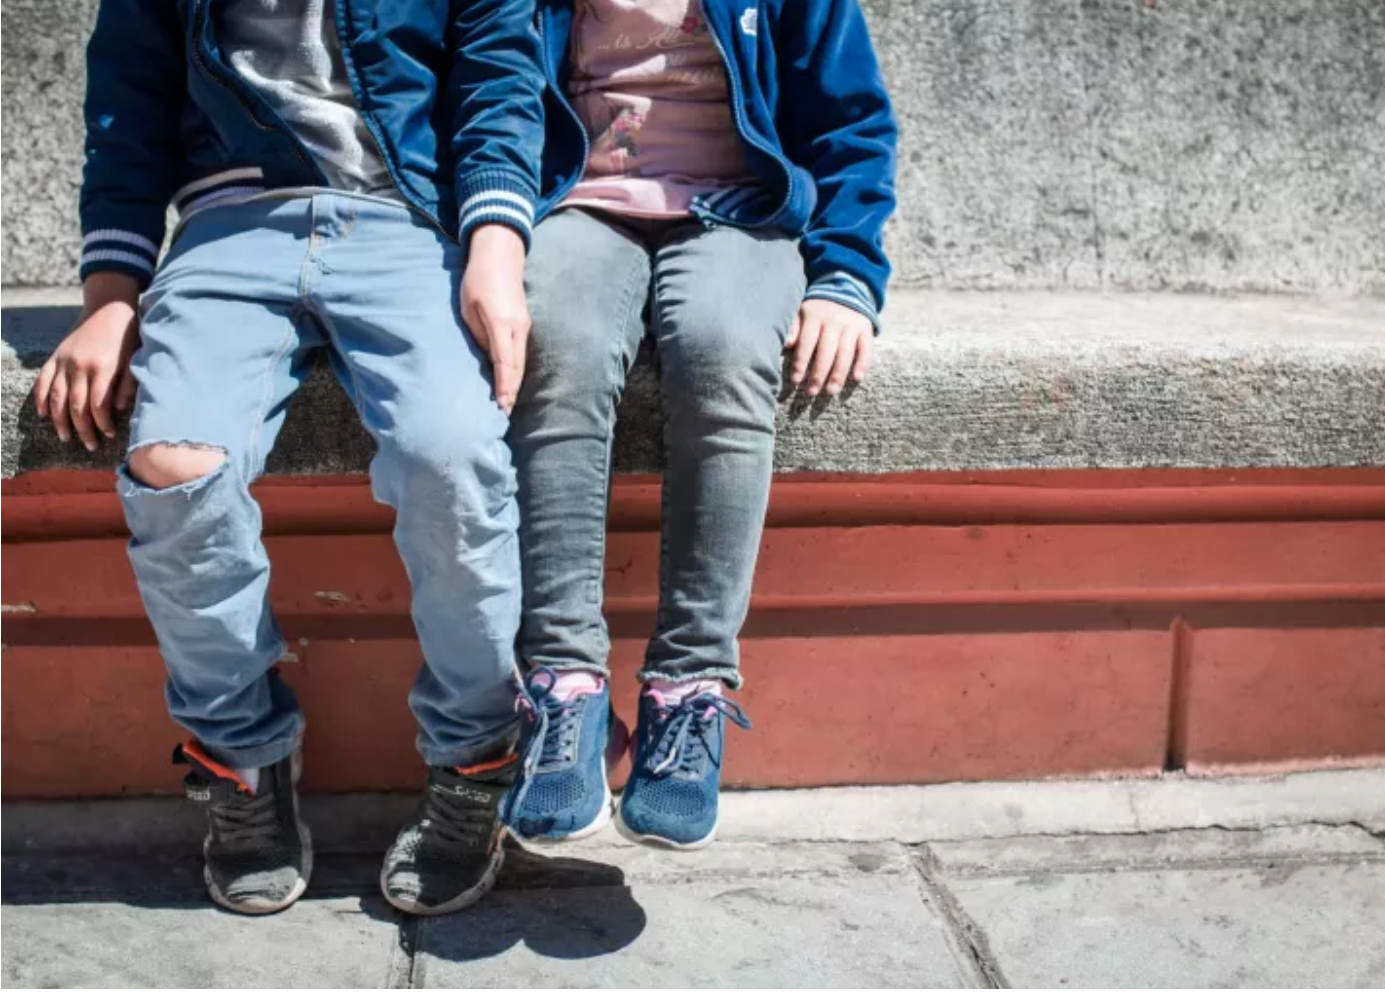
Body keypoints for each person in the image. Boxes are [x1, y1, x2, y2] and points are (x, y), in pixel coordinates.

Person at [33, 0, 543, 917]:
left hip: (406, 220)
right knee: (174, 464)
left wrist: (496, 250)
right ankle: (240, 758)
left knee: (451, 455)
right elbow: (126, 114)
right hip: (231, 231)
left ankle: (476, 757)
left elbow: (500, 83)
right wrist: (111, 295)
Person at [502, 0, 898, 850]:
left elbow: (852, 126)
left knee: (723, 349)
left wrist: (845, 278)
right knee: (555, 346)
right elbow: (489, 98)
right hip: (577, 207)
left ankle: (688, 688)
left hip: (740, 215)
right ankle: (562, 682)